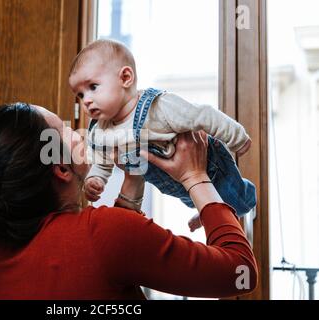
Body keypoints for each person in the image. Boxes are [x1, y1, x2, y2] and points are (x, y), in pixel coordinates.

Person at [0, 102, 258, 300]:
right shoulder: (105, 233)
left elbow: (94, 268)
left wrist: (133, 177)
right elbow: (239, 271)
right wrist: (195, 177)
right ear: (61, 168)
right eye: (64, 129)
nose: (78, 131)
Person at [68, 39, 256, 231]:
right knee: (199, 201)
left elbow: (201, 115)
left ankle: (241, 196)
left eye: (92, 87)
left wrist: (236, 137)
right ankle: (204, 211)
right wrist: (96, 179)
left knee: (238, 199)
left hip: (212, 168)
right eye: (80, 95)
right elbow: (102, 159)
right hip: (178, 185)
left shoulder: (158, 108)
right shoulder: (100, 130)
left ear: (125, 78)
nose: (86, 100)